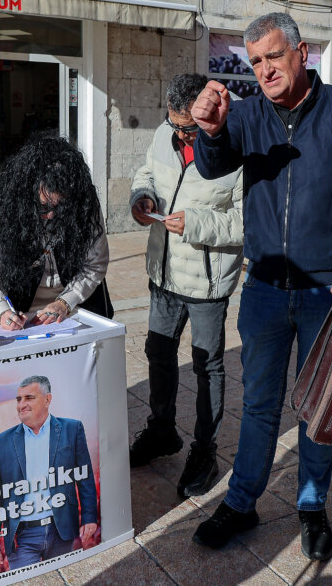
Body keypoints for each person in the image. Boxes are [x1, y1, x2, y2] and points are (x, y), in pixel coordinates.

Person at [189, 12, 332, 560]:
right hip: (263, 288)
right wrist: (210, 130)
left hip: (328, 294)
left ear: (301, 52)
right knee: (260, 404)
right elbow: (213, 167)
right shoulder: (246, 116)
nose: (264, 70)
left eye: (273, 56)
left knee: (318, 408)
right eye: (255, 61)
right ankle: (242, 502)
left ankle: (312, 506)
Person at [127, 73, 243, 497]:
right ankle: (161, 431)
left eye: (187, 128)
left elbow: (245, 222)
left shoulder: (236, 147)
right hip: (164, 269)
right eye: (173, 124)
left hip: (208, 280)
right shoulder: (165, 131)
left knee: (207, 365)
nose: (179, 134)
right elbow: (148, 171)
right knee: (158, 352)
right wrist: (142, 198)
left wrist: (194, 223)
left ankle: (205, 450)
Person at [0, 137, 111, 327]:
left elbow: (94, 266)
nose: (51, 215)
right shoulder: (0, 208)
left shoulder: (84, 202)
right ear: (27, 191)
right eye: (43, 206)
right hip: (17, 311)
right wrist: (2, 311)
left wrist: (64, 302)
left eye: (61, 207)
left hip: (76, 305)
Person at [0, 375, 98, 571]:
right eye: (18, 399)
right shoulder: (1, 443)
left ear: (47, 399)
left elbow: (84, 477)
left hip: (63, 530)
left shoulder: (72, 429)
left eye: (29, 398)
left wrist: (89, 517)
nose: (21, 405)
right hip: (22, 536)